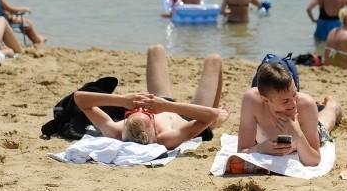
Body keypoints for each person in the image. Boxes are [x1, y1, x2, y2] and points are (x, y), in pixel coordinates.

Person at [74, 44, 230, 150]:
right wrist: (167, 107)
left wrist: (121, 100)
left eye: (133, 112)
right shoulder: (167, 138)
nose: (140, 108)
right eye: (149, 115)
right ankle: (213, 126)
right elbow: (210, 114)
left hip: (162, 104)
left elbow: (79, 99)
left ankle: (210, 122)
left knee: (155, 49)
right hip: (191, 119)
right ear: (156, 133)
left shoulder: (115, 131)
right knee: (214, 60)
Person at [237, 62, 342, 167]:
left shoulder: (306, 104)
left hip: (309, 122)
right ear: (265, 100)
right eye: (285, 100)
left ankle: (332, 106)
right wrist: (260, 148)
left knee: (325, 124)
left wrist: (297, 134)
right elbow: (241, 151)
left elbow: (314, 160)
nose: (293, 104)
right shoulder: (252, 101)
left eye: (294, 94)